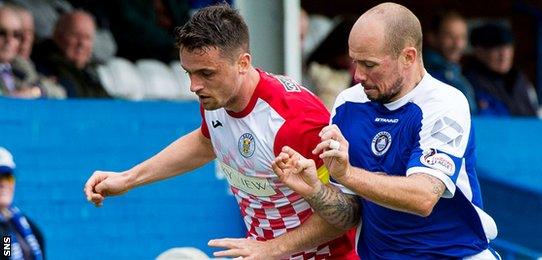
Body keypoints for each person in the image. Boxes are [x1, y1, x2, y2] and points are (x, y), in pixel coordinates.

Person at [83, 4, 356, 259]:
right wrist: (128, 178)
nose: (194, 86)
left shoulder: (295, 120)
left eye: (206, 73)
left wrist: (273, 248)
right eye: (189, 73)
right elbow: (206, 142)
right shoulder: (217, 98)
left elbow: (345, 214)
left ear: (243, 63)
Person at [270, 2, 499, 259]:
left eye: (369, 65)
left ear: (408, 57)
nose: (357, 75)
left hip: (453, 254)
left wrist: (348, 174)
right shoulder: (348, 104)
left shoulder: (444, 103)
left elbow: (423, 198)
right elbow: (350, 213)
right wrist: (315, 190)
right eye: (354, 62)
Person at [463, 22, 538, 116]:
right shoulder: (468, 83)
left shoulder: (521, 80)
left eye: (508, 47)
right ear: (479, 51)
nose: (504, 55)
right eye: (497, 48)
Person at [32, 10, 109, 98]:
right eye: (76, 36)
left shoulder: (89, 72)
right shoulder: (44, 65)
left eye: (87, 38)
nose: (82, 43)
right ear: (58, 36)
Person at [423, 11, 477, 114]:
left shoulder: (458, 74)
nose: (458, 44)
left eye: (462, 37)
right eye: (450, 36)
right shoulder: (423, 74)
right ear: (432, 37)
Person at [0, 147, 45, 260]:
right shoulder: (6, 234)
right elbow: (6, 253)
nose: (3, 184)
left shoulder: (24, 225)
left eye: (7, 177)